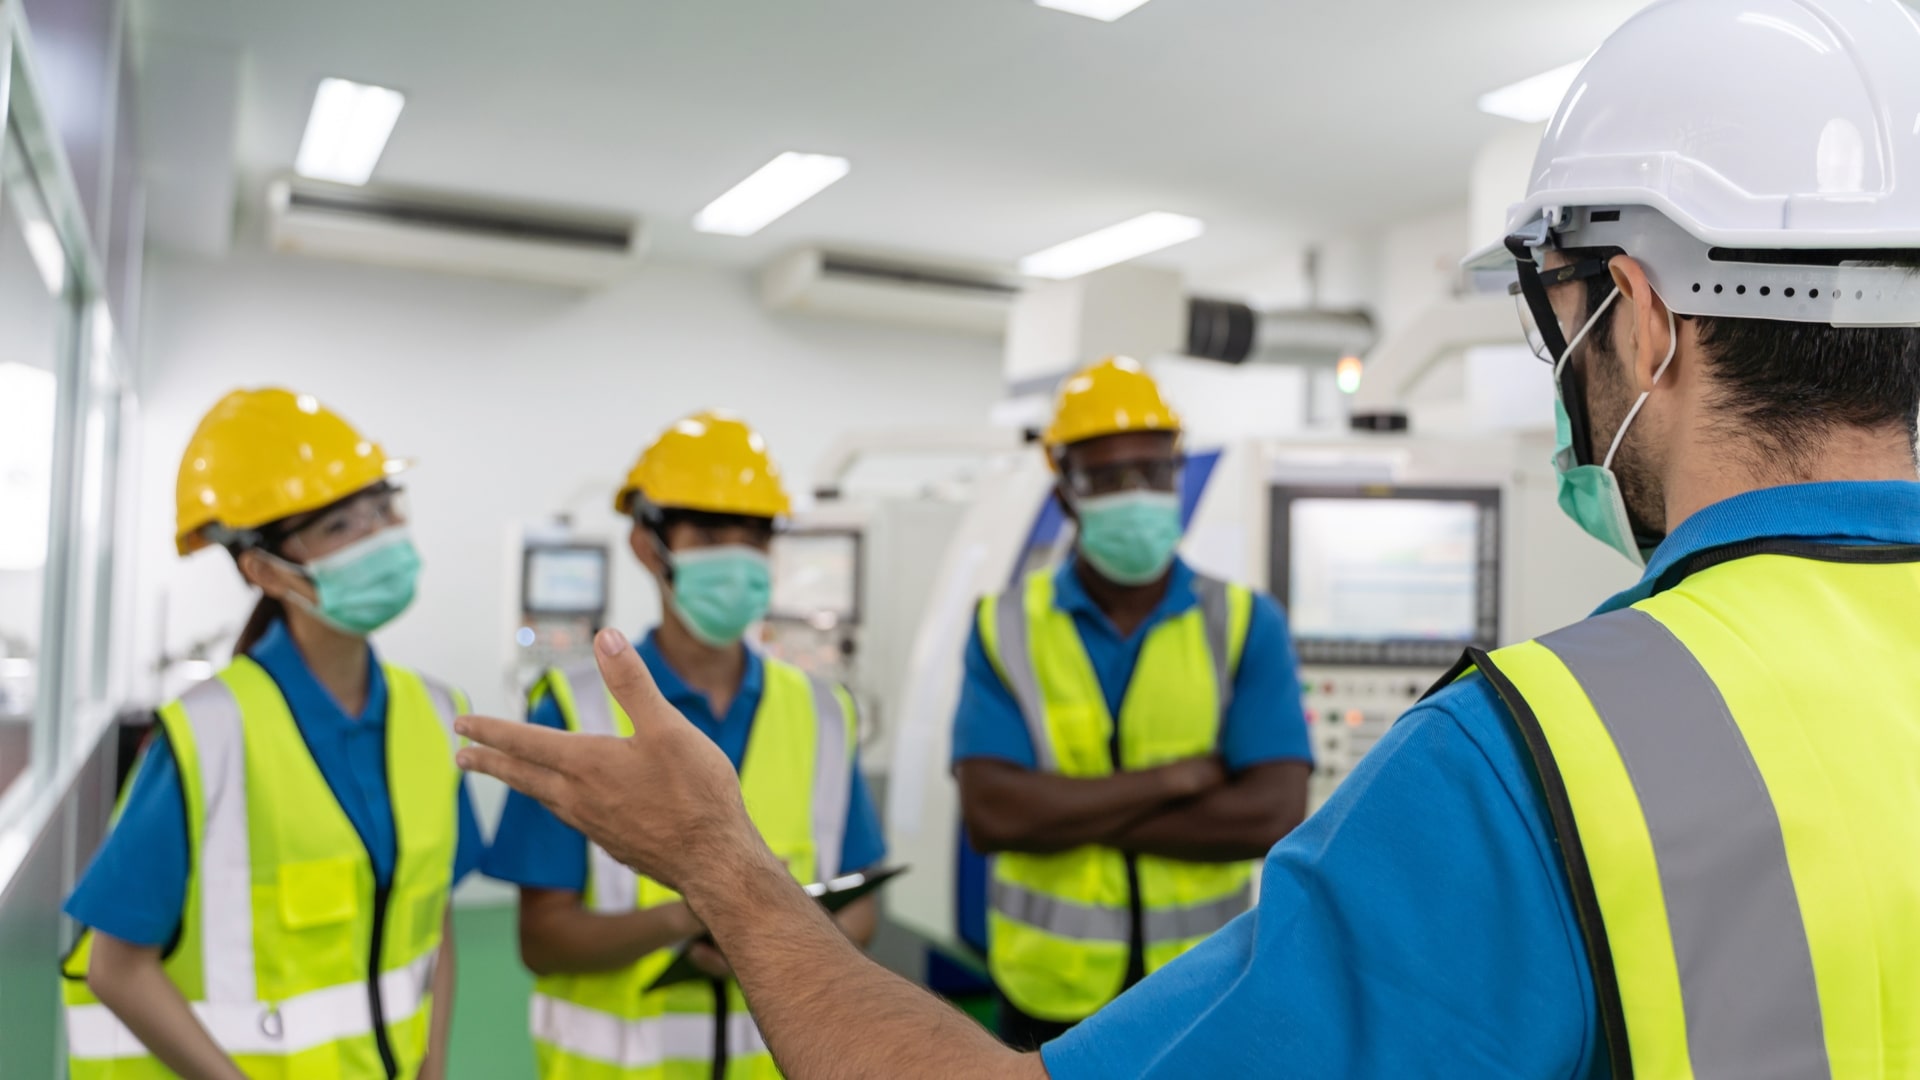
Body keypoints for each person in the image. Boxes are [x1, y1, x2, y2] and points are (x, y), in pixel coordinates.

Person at [453, 0, 1920, 1074]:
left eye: (1561, 320)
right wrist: (1181, 789)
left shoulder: (1533, 761)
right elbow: (1007, 810)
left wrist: (719, 860)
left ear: (1640, 314)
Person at [63, 388, 486, 1080]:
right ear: (263, 570)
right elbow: (116, 967)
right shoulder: (206, 737)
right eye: (341, 526)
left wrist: (432, 1067)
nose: (378, 537)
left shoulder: (436, 716)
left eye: (382, 510)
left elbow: (432, 917)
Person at [481, 410, 886, 1080]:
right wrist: (689, 917)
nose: (736, 553)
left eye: (753, 534)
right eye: (708, 531)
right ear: (647, 543)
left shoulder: (822, 712)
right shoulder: (576, 708)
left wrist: (769, 932)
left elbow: (863, 909)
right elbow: (544, 939)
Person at [951, 356, 1311, 1048]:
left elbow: (1271, 813)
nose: (1136, 492)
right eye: (1108, 477)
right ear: (1065, 493)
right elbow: (993, 814)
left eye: (1153, 470)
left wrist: (1063, 810)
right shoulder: (1004, 626)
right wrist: (1173, 782)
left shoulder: (1244, 622)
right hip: (1049, 993)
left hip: (1206, 984)